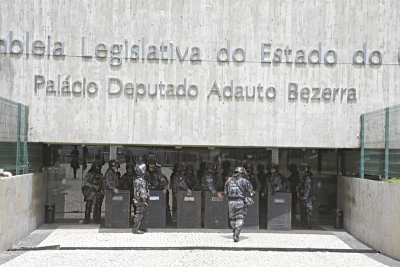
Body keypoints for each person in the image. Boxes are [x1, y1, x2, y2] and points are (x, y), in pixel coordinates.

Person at [224, 166, 253, 242]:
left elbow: (225, 192)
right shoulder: (244, 181)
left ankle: (234, 230)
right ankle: (237, 233)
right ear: (241, 173)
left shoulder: (228, 180)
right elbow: (250, 188)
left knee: (232, 218)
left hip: (231, 202)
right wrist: (247, 177)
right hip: (240, 201)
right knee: (240, 218)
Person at [144, 156, 172, 224]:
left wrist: (165, 188)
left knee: (164, 205)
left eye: (153, 164)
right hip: (148, 191)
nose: (151, 166)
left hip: (157, 191)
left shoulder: (158, 171)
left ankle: (167, 221)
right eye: (150, 164)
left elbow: (162, 180)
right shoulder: (145, 172)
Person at [132, 163, 150, 234]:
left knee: (141, 214)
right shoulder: (141, 181)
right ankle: (136, 229)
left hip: (138, 200)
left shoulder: (137, 180)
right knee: (139, 214)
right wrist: (144, 200)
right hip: (140, 200)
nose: (145, 171)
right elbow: (142, 192)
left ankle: (140, 227)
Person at [298, 163, 314, 229]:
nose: (301, 172)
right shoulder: (304, 177)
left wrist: (305, 197)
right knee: (303, 210)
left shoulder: (307, 177)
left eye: (303, 170)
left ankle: (308, 225)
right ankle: (303, 223)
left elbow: (308, 188)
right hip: (303, 196)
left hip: (307, 197)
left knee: (307, 210)